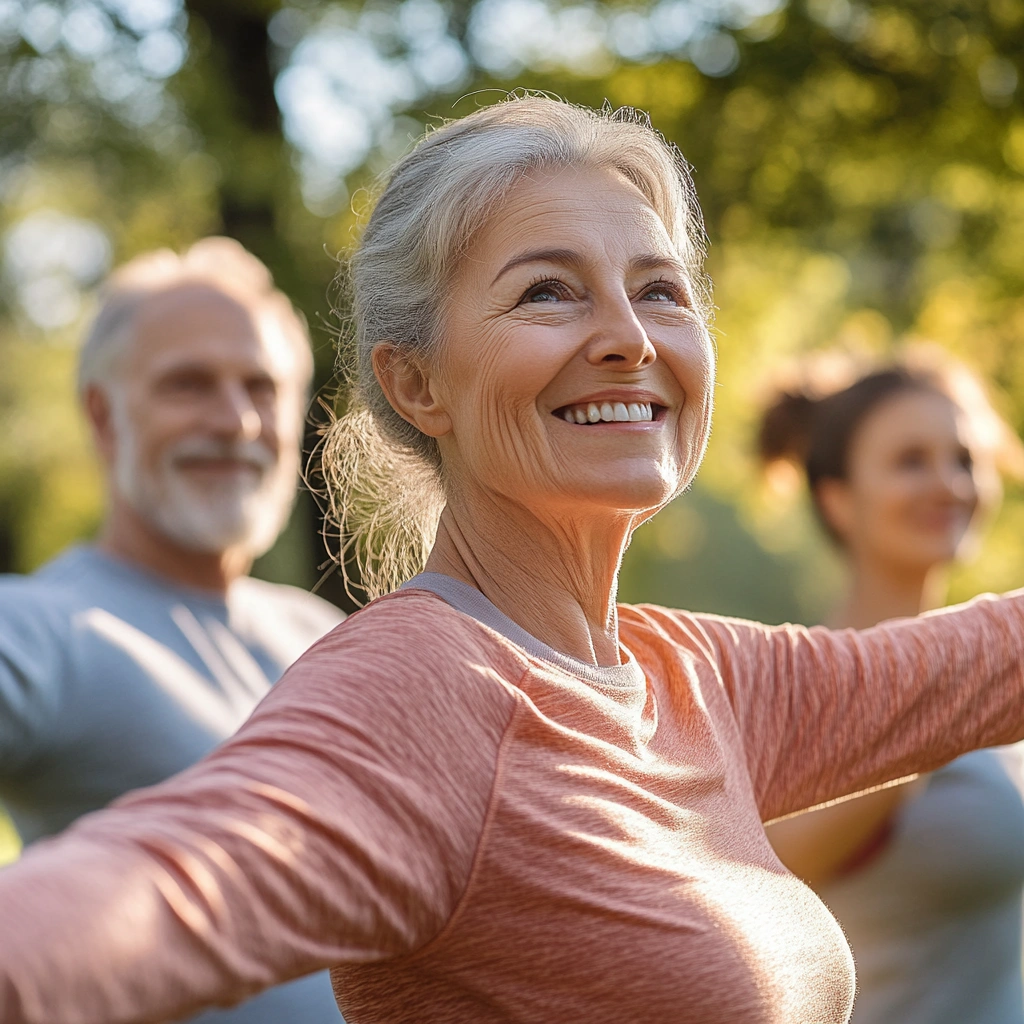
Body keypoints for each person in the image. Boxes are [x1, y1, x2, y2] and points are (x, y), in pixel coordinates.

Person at [1, 96, 1024, 1024]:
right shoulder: (422, 689)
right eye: (547, 292)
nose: (629, 337)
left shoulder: (689, 677)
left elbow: (989, 659)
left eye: (660, 291)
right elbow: (144, 894)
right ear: (417, 384)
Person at [0, 238, 345, 1024]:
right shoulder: (46, 626)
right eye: (187, 384)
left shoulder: (323, 634)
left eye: (261, 386)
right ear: (104, 415)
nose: (235, 420)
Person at [759, 353, 1024, 1023]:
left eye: (964, 459)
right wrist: (954, 692)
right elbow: (773, 874)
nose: (949, 484)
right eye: (911, 461)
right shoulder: (800, 688)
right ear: (837, 499)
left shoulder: (988, 683)